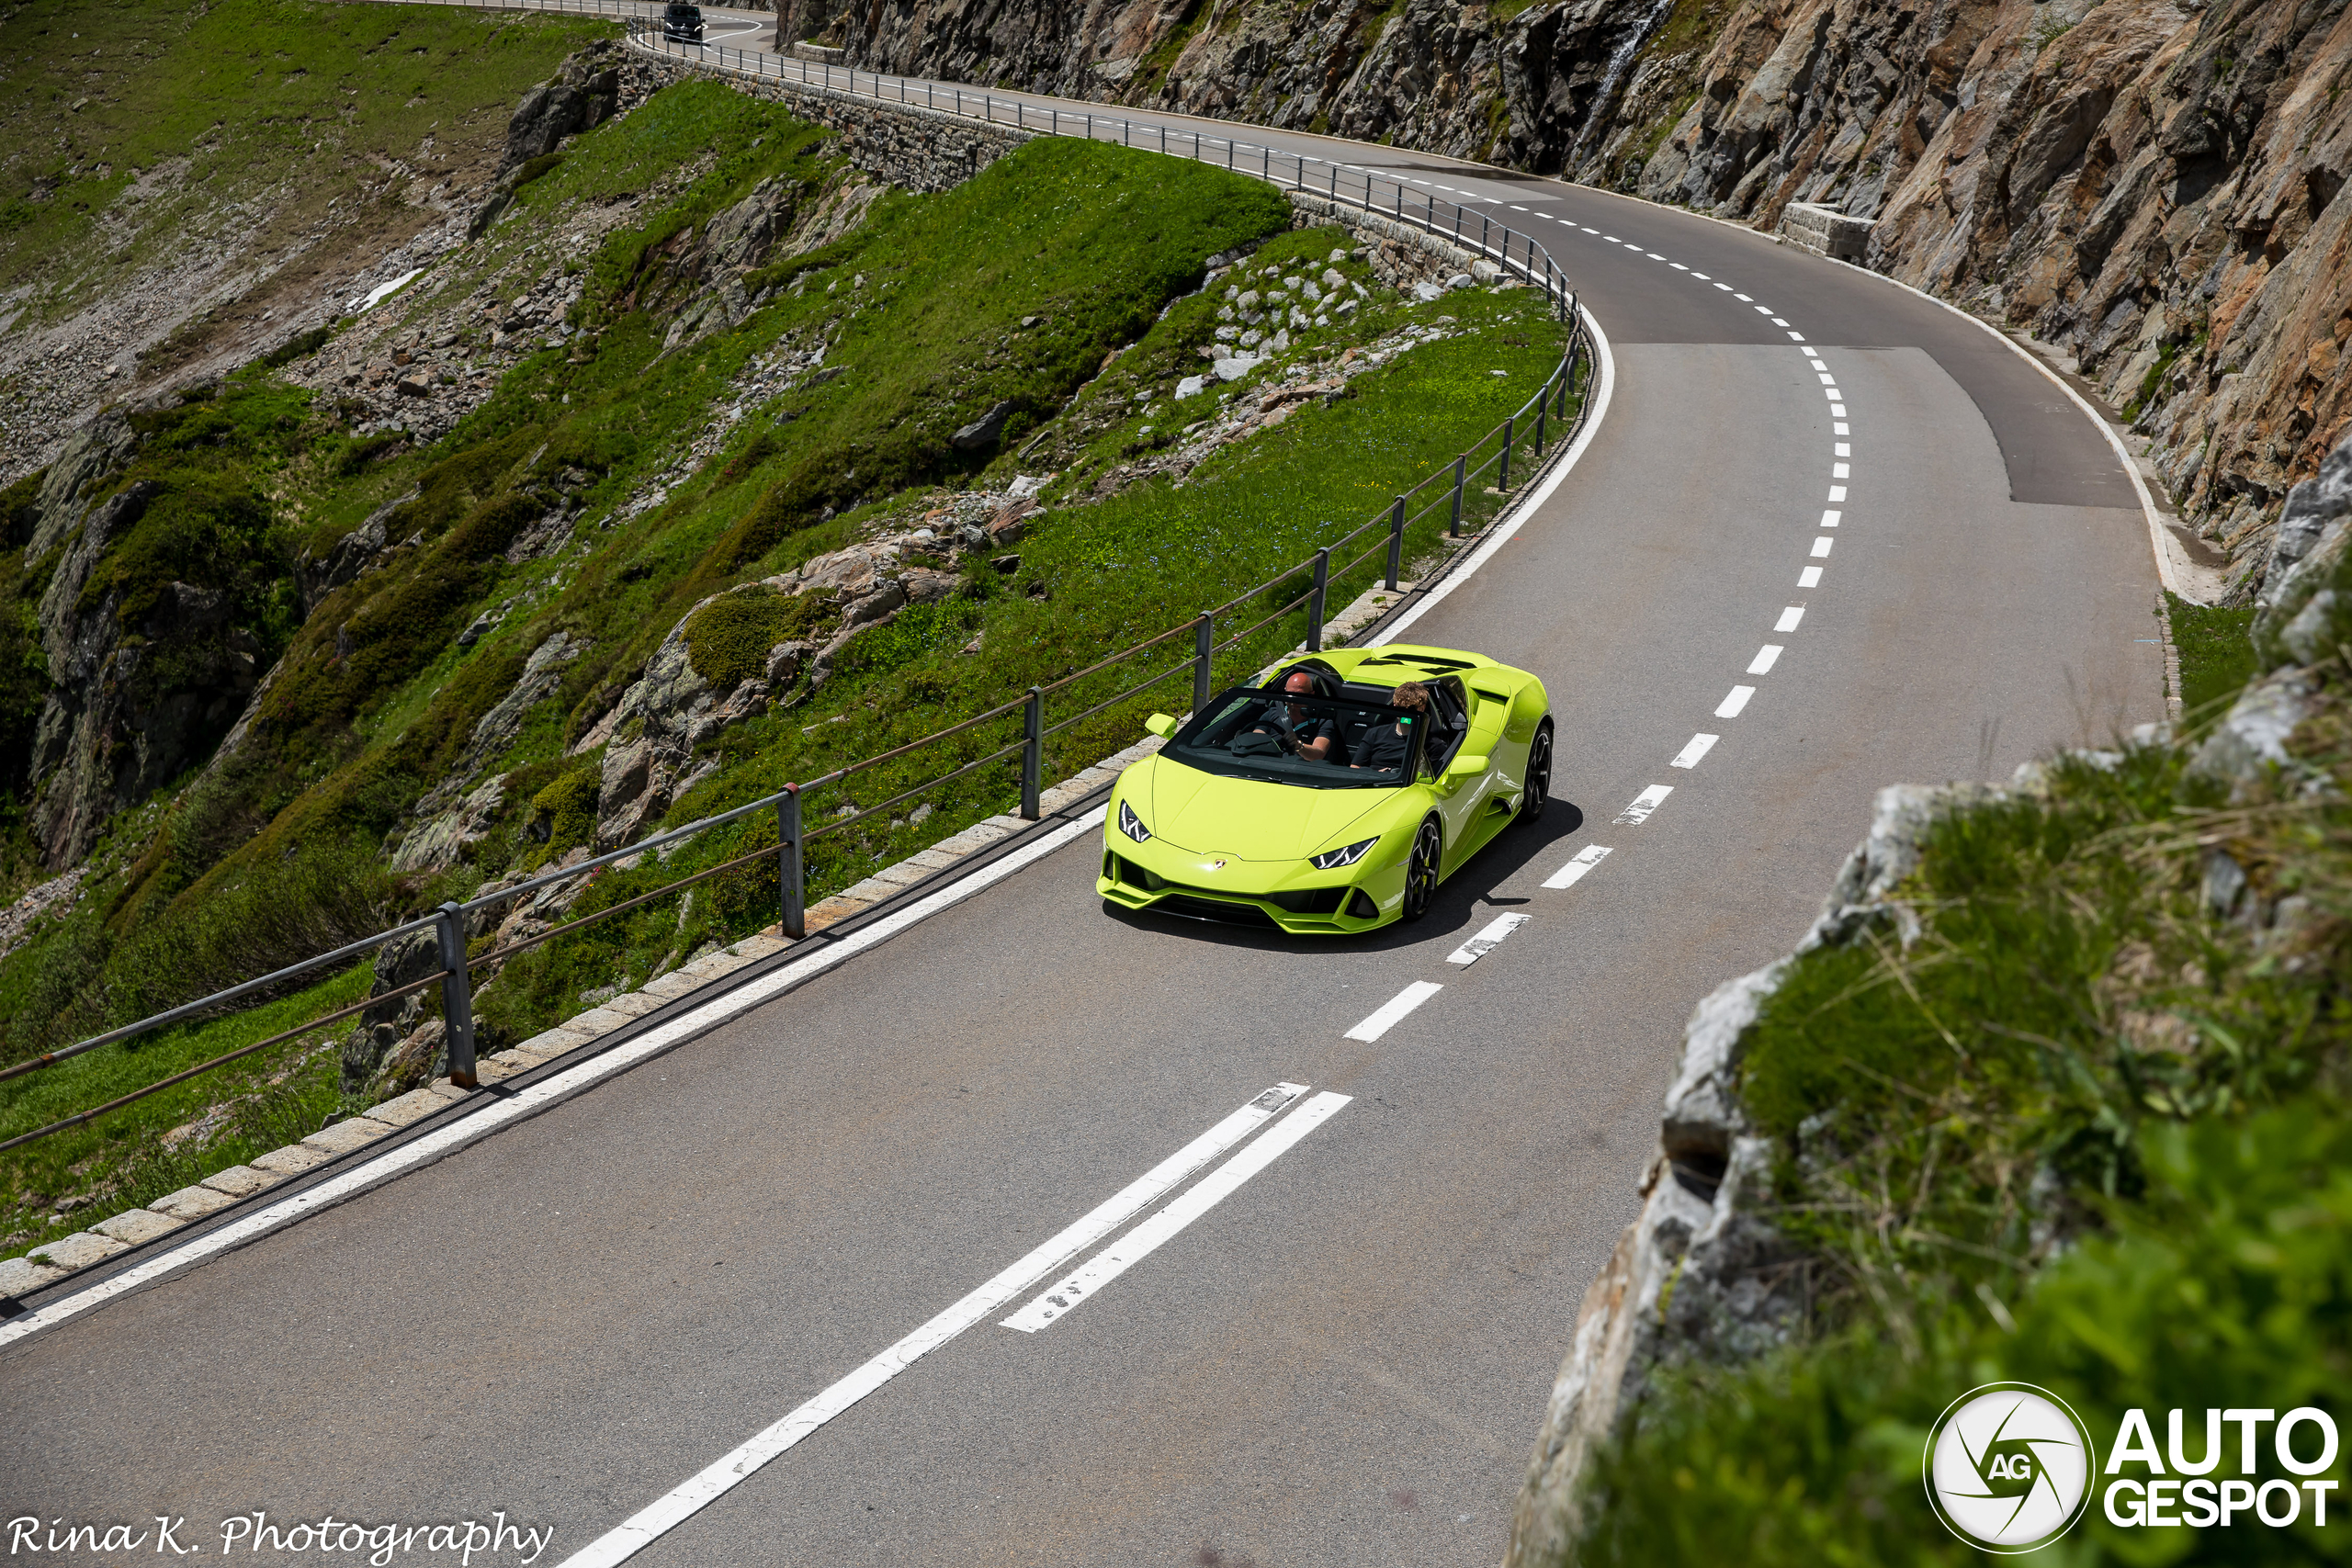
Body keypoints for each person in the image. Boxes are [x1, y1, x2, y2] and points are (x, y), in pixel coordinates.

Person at [1233, 671, 1340, 761]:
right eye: (1290, 694)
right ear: (1285, 692)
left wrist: (1299, 746)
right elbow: (1256, 738)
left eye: (1299, 695)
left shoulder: (1323, 721)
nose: (1293, 699)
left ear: (1311, 694)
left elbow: (1319, 753)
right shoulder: (1272, 714)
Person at [1353, 681, 1427, 773]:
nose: (1406, 714)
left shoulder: (1430, 744)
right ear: (1395, 705)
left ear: (1422, 708)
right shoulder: (1375, 734)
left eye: (1411, 709)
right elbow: (1354, 768)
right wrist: (1378, 774)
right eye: (1402, 708)